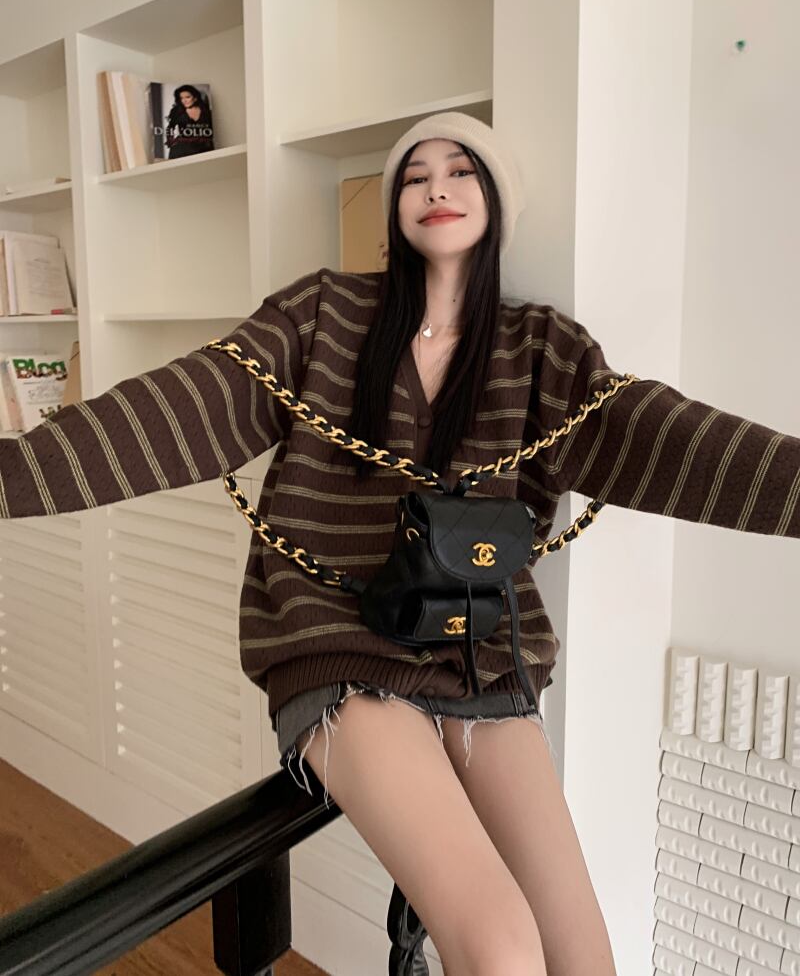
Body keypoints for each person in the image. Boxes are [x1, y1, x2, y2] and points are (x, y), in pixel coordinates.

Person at [2, 111, 797, 975]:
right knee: (498, 942)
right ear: (394, 206)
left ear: (496, 199)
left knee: (582, 954)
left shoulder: (542, 350)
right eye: (415, 176)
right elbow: (186, 403)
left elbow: (663, 435)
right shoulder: (322, 318)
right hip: (340, 646)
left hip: (482, 655)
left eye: (461, 170)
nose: (436, 188)